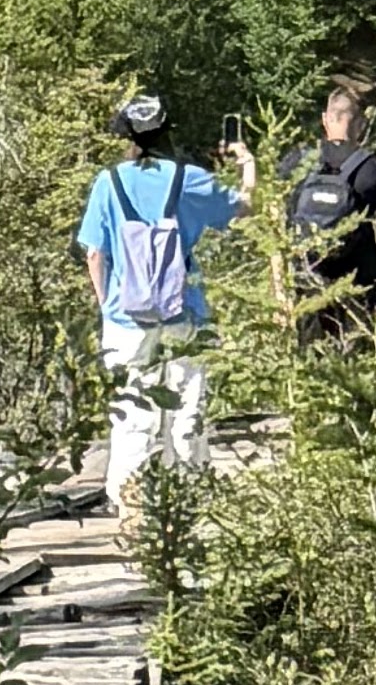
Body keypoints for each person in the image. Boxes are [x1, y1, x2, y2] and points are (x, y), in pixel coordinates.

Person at [76, 88, 251, 505]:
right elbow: (243, 207)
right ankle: (188, 499)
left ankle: (128, 505)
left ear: (128, 137)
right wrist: (247, 164)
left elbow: (95, 253)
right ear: (166, 133)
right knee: (186, 412)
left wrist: (107, 306)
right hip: (184, 313)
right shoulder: (188, 179)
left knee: (130, 416)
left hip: (125, 319)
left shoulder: (108, 182)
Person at [282, 75, 376, 344]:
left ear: (325, 119)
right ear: (360, 124)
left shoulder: (296, 161)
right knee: (356, 368)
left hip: (306, 282)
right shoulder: (375, 169)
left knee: (310, 363)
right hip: (359, 285)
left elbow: (276, 228)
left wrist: (279, 289)